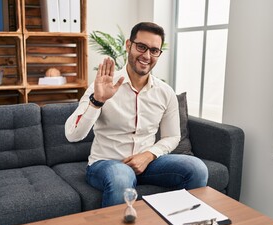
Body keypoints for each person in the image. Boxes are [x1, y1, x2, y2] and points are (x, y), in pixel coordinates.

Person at [65, 22, 208, 207]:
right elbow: (73, 134)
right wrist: (97, 101)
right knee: (121, 177)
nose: (147, 56)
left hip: (148, 165)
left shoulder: (165, 92)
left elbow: (172, 137)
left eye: (154, 50)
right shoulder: (101, 86)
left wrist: (148, 155)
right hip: (106, 164)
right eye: (141, 47)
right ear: (128, 45)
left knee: (197, 169)